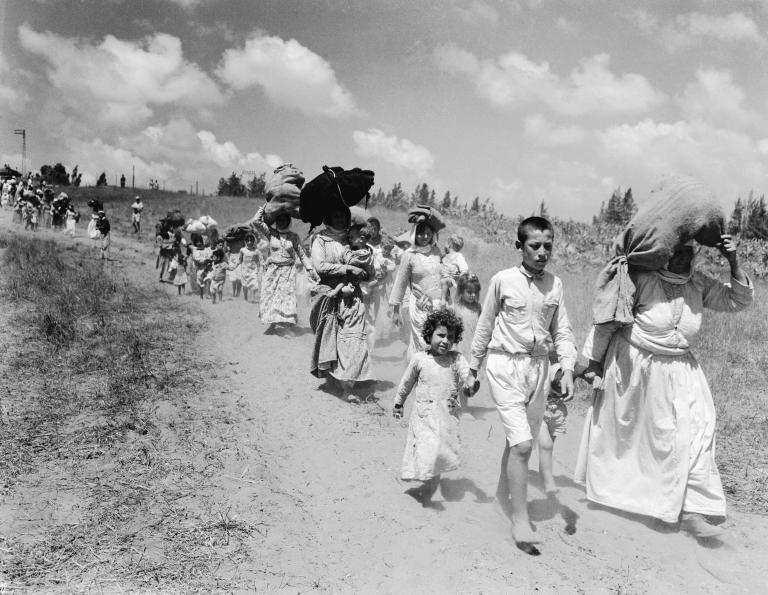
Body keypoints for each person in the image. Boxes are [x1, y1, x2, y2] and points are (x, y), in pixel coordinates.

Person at [576, 235, 752, 539]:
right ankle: (625, 502)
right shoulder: (641, 278)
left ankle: (693, 509)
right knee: (636, 440)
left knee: (697, 431)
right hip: (635, 369)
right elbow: (607, 319)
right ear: (664, 253)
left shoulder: (697, 283)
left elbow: (738, 300)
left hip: (682, 370)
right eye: (678, 252)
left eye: (690, 252)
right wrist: (590, 364)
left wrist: (733, 261)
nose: (684, 258)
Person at [469, 216, 576, 556]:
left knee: (519, 441)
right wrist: (473, 367)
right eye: (535, 246)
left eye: (548, 246)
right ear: (520, 246)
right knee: (524, 446)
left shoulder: (555, 285)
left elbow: (562, 331)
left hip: (539, 370)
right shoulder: (503, 281)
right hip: (505, 365)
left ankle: (502, 495)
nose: (542, 252)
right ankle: (520, 519)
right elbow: (485, 324)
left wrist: (568, 368)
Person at [392, 309, 479, 508]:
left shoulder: (456, 359)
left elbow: (466, 374)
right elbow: (406, 383)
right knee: (427, 449)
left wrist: (470, 383)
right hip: (423, 415)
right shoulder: (420, 359)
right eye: (440, 335)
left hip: (447, 415)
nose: (445, 341)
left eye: (450, 337)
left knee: (439, 454)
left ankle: (427, 490)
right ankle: (425, 488)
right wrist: (399, 402)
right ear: (429, 334)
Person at [310, 207, 369, 398]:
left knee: (351, 338)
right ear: (328, 217)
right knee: (329, 337)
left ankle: (347, 385)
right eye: (334, 215)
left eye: (342, 216)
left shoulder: (351, 238)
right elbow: (320, 266)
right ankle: (332, 377)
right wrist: (347, 269)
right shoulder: (320, 240)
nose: (338, 219)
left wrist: (361, 269)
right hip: (329, 293)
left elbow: (365, 267)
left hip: (352, 296)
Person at [389, 207, 446, 360]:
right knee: (423, 343)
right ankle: (419, 376)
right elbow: (400, 283)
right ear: (415, 234)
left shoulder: (437, 252)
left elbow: (441, 277)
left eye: (428, 233)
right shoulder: (409, 256)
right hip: (419, 305)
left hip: (437, 305)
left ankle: (423, 375)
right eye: (421, 233)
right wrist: (396, 310)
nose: (425, 236)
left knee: (437, 343)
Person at [249, 204, 315, 333]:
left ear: (288, 221)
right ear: (276, 221)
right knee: (271, 295)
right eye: (279, 220)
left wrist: (310, 269)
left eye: (284, 220)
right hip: (272, 270)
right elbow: (255, 222)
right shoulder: (270, 233)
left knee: (286, 296)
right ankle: (272, 324)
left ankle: (287, 322)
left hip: (288, 271)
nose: (281, 222)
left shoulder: (294, 237)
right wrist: (263, 208)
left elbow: (301, 254)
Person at [452, 272, 482, 413]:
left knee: (469, 379)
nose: (473, 295)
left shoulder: (478, 308)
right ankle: (457, 408)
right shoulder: (456, 308)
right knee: (457, 379)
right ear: (461, 291)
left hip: (473, 349)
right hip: (458, 348)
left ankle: (462, 407)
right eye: (469, 292)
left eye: (475, 293)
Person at [537, 364, 568, 495]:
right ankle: (549, 483)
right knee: (546, 445)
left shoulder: (568, 367)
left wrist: (595, 375)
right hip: (538, 408)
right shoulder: (540, 361)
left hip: (556, 412)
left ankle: (542, 477)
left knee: (547, 448)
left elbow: (588, 371)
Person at [442, 235, 469, 302]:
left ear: (449, 245)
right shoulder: (444, 256)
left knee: (445, 283)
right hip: (441, 280)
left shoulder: (458, 256)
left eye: (446, 242)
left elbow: (464, 269)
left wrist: (459, 276)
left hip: (450, 281)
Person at [239, 233, 263, 302]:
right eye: (248, 240)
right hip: (244, 270)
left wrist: (263, 267)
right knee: (244, 286)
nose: (249, 242)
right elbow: (239, 260)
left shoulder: (256, 251)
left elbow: (261, 260)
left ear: (253, 241)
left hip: (253, 271)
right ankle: (245, 297)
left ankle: (252, 298)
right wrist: (233, 267)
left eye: (251, 240)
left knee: (254, 284)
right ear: (245, 241)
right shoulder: (242, 250)